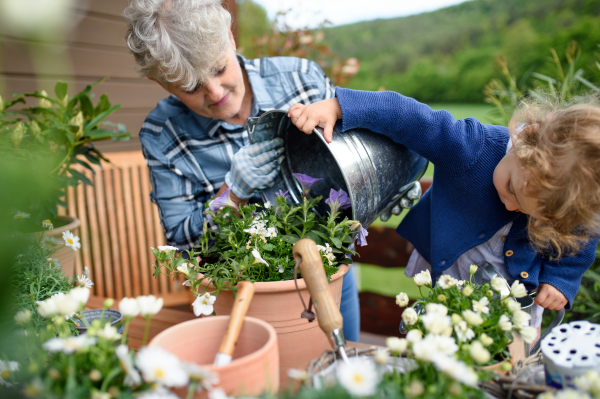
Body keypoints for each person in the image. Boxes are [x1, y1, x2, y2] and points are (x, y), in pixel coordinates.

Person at [122, 0, 360, 340]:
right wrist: (233, 192)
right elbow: (184, 247)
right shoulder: (164, 134)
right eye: (191, 88)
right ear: (162, 83)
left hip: (329, 274)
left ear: (231, 39)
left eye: (218, 69)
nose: (215, 92)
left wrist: (376, 184)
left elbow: (347, 160)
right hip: (245, 297)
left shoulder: (300, 79)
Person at [288, 88, 600, 333]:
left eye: (529, 212)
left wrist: (561, 280)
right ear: (525, 140)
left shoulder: (570, 199)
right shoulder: (471, 148)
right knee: (444, 337)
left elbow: (581, 239)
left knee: (506, 351)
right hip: (455, 271)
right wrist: (340, 106)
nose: (510, 205)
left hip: (517, 294)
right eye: (511, 189)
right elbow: (408, 117)